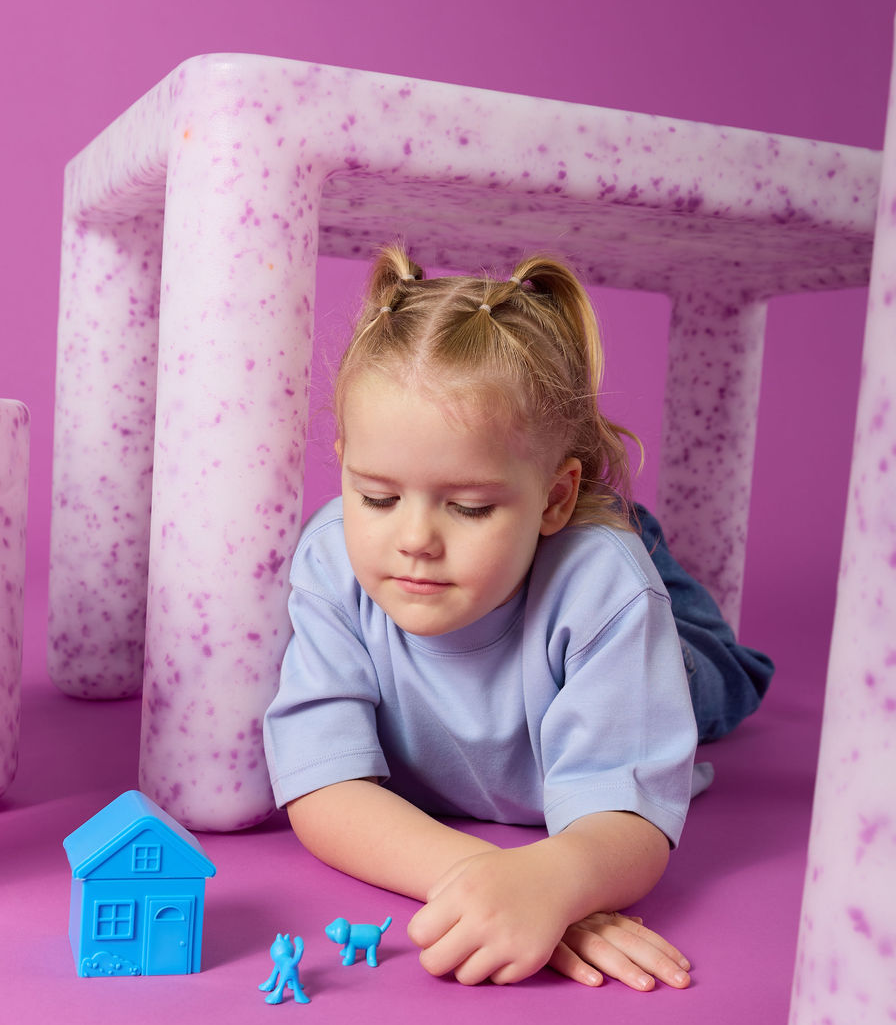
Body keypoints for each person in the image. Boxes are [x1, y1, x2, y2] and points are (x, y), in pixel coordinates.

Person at [263, 244, 773, 989]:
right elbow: (321, 783)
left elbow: (632, 811)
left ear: (554, 499)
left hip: (626, 615)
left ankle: (627, 527)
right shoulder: (332, 560)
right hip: (556, 562)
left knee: (713, 676)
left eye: (468, 505)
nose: (413, 539)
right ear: (344, 463)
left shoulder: (605, 591)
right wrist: (495, 880)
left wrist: (564, 874)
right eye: (375, 496)